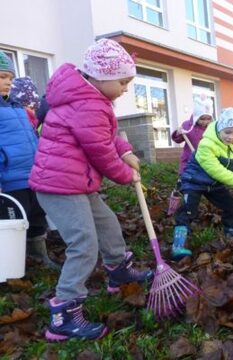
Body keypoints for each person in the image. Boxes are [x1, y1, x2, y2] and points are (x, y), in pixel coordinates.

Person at [29, 39, 153, 341]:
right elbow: (100, 151)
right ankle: (64, 312)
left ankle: (117, 270)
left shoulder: (91, 98)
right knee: (83, 243)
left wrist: (124, 150)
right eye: (123, 82)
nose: (125, 88)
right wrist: (126, 174)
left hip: (76, 181)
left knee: (107, 224)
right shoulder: (88, 104)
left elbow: (107, 137)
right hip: (59, 186)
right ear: (102, 76)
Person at [172, 108, 233, 260]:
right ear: (219, 128)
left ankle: (231, 233)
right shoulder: (206, 144)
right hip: (194, 181)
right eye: (227, 132)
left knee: (230, 206)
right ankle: (178, 245)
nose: (231, 137)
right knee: (187, 211)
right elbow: (216, 170)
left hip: (214, 184)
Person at [0, 51, 58, 270]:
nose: (8, 82)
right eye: (2, 77)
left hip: (31, 175)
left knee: (36, 215)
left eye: (10, 78)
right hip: (9, 177)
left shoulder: (16, 106)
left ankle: (38, 255)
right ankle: (11, 262)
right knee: (13, 220)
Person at [171, 98, 214, 174]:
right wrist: (178, 133)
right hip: (189, 158)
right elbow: (178, 140)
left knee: (203, 179)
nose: (205, 122)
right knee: (187, 177)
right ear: (196, 117)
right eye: (202, 119)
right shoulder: (187, 125)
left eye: (208, 119)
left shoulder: (212, 128)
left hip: (206, 159)